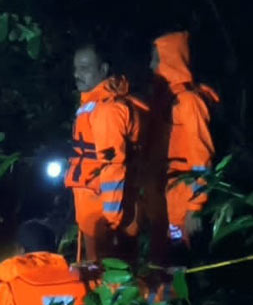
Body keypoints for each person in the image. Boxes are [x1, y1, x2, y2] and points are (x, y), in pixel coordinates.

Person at [66, 44, 148, 261]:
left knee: (108, 275)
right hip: (96, 213)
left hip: (105, 216)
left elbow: (113, 167)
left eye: (84, 68)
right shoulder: (93, 105)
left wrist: (111, 221)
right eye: (76, 68)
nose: (77, 74)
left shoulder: (107, 111)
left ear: (103, 69)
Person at [151, 31, 219, 252]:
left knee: (190, 262)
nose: (152, 66)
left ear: (171, 60)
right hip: (175, 204)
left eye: (157, 59)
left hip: (187, 208)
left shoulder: (189, 102)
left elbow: (202, 157)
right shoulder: (171, 102)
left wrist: (195, 207)